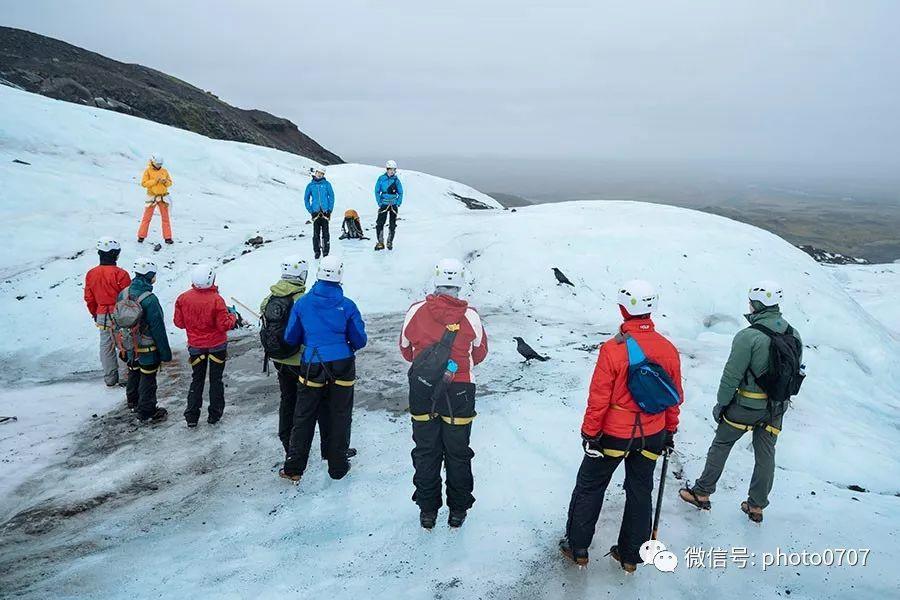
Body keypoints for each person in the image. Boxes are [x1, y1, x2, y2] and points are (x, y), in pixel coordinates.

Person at [560, 280, 683, 571]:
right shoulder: (668, 349)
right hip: (652, 434)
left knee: (590, 487)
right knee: (640, 492)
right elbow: (673, 397)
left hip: (613, 435)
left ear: (622, 309)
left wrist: (590, 433)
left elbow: (599, 399)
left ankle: (578, 547)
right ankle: (631, 556)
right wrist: (669, 430)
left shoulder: (612, 349)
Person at [680, 281, 802, 524]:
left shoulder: (748, 337)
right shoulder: (793, 334)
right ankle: (756, 507)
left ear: (756, 305)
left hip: (746, 406)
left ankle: (702, 492)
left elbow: (731, 375)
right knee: (766, 454)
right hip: (775, 409)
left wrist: (721, 404)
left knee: (722, 443)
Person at [399, 259, 488, 529]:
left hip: (423, 389)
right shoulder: (470, 315)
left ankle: (428, 510)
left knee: (426, 451)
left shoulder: (415, 311)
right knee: (458, 452)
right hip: (460, 391)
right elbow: (480, 352)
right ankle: (458, 510)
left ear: (436, 281)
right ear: (461, 282)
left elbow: (405, 349)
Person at [280, 255, 367, 482]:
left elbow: (290, 337)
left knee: (304, 414)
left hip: (312, 363)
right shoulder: (347, 305)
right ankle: (337, 466)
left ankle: (294, 467)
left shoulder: (303, 303)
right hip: (342, 363)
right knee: (339, 413)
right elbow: (359, 339)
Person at [173, 264, 241, 428]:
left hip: (196, 346)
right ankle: (214, 414)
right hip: (217, 345)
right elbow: (223, 325)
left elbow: (179, 323)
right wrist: (232, 317)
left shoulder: (183, 298)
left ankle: (192, 416)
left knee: (197, 379)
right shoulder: (216, 299)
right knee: (215, 380)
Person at [120, 258, 172, 423]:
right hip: (147, 345)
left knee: (133, 371)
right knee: (148, 378)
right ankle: (147, 410)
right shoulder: (150, 299)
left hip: (129, 343)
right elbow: (158, 329)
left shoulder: (124, 292)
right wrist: (165, 353)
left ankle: (132, 401)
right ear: (150, 276)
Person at [83, 236, 131, 386]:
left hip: (102, 314)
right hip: (120, 314)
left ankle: (109, 378)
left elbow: (89, 298)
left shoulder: (91, 274)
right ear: (116, 254)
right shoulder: (121, 274)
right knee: (123, 344)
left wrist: (95, 313)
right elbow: (128, 298)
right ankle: (125, 378)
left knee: (106, 345)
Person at [138, 155, 174, 244]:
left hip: (163, 197)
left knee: (165, 218)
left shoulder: (164, 171)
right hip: (152, 197)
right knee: (147, 218)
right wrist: (155, 181)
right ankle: (141, 236)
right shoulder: (147, 171)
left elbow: (170, 183)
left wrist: (165, 181)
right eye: (157, 164)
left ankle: (168, 237)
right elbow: (143, 183)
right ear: (153, 162)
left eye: (160, 164)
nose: (159, 165)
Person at [304, 166, 335, 259]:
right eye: (318, 173)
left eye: (322, 174)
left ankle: (326, 251)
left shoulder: (327, 184)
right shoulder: (310, 185)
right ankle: (317, 251)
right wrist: (311, 210)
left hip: (325, 212)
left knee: (326, 233)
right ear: (315, 173)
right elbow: (306, 199)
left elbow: (332, 197)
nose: (320, 175)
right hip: (315, 212)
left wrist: (329, 210)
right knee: (316, 234)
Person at [374, 160, 403, 251]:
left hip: (393, 204)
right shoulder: (381, 179)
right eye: (391, 169)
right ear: (387, 169)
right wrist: (379, 202)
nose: (392, 171)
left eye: (394, 170)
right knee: (380, 223)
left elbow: (401, 192)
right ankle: (380, 242)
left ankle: (389, 242)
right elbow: (377, 191)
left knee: (392, 224)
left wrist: (398, 202)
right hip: (384, 204)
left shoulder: (396, 180)